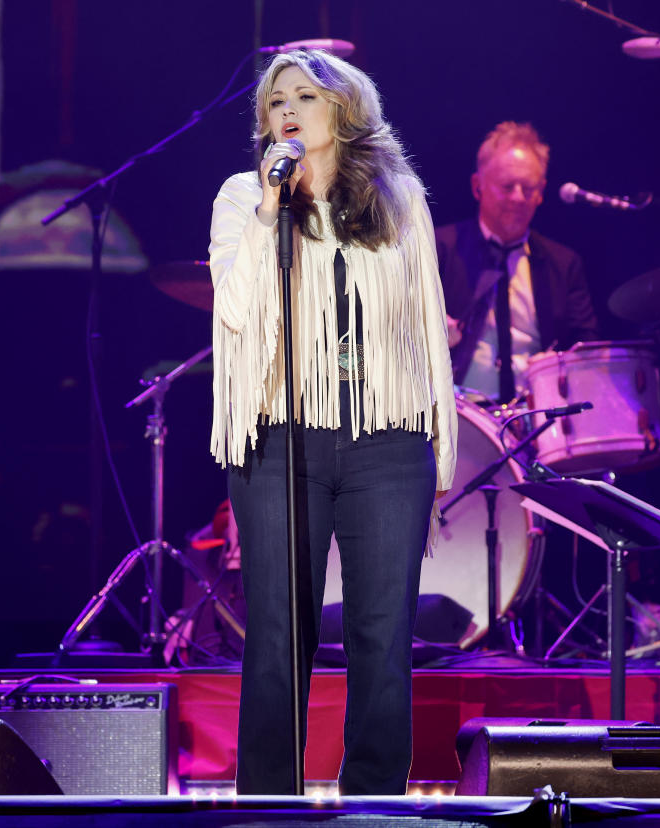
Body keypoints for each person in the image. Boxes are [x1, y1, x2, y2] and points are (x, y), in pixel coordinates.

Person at [208, 50, 456, 795]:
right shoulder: (240, 196)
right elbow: (234, 309)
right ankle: (267, 805)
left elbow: (423, 325)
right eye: (275, 100)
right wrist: (267, 211)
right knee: (280, 636)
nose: (287, 109)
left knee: (382, 637)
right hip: (281, 433)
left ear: (343, 111)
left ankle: (375, 803)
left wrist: (436, 435)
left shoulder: (398, 197)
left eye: (306, 96)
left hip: (385, 434)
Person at [437, 121, 598, 402]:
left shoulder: (563, 263)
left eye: (528, 188)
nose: (518, 198)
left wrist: (558, 364)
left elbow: (586, 347)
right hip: (456, 417)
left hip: (537, 420)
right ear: (477, 187)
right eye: (508, 186)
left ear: (542, 191)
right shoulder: (438, 250)